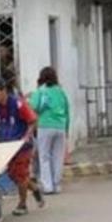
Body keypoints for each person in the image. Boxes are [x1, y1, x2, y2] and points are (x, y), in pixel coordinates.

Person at [0, 79, 44, 216]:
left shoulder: (18, 104)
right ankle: (35, 188)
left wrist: (26, 136)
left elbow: (33, 120)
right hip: (6, 145)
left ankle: (22, 204)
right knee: (13, 174)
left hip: (22, 145)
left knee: (20, 173)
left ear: (4, 91)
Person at [30, 67, 70, 195]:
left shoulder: (40, 91)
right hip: (61, 126)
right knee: (58, 157)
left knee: (44, 156)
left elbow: (32, 107)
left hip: (45, 126)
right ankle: (57, 184)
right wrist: (67, 128)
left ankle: (47, 186)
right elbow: (67, 110)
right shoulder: (61, 92)